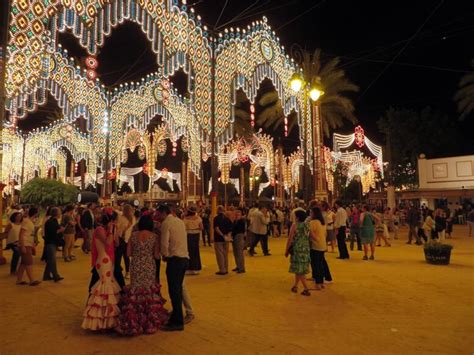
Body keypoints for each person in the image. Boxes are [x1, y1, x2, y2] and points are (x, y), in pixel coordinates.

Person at [115, 214, 168, 335]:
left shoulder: (133, 236)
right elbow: (156, 255)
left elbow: (128, 254)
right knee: (148, 289)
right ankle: (149, 319)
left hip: (136, 265)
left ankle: (134, 319)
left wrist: (138, 253)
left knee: (136, 289)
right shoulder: (155, 237)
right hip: (149, 265)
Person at [82, 209, 121, 331]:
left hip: (110, 259)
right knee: (104, 285)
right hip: (102, 259)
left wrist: (115, 231)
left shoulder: (109, 229)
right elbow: (108, 243)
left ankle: (107, 317)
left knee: (109, 284)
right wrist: (110, 230)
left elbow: (117, 243)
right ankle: (99, 317)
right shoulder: (99, 230)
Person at [157, 204, 189, 331]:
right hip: (184, 258)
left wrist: (164, 255)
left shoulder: (166, 223)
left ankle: (177, 321)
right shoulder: (180, 222)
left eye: (158, 214)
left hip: (174, 259)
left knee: (174, 291)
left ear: (163, 213)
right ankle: (177, 315)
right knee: (178, 290)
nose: (157, 216)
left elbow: (164, 242)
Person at [285, 210, 311, 296]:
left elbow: (290, 238)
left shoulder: (294, 225)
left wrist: (287, 250)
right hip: (305, 248)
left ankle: (306, 288)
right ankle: (295, 286)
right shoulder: (307, 225)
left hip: (297, 248)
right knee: (300, 268)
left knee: (299, 270)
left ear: (297, 217)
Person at [16, 207, 41, 286]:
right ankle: (32, 280)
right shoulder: (27, 221)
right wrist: (22, 246)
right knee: (29, 262)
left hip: (28, 244)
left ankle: (19, 280)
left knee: (23, 263)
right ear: (35, 213)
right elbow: (21, 234)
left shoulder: (30, 221)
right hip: (25, 244)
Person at [309, 207, 332, 290]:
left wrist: (315, 239)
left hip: (316, 245)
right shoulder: (322, 222)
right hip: (322, 245)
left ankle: (318, 283)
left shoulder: (313, 222)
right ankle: (321, 282)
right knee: (321, 264)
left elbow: (310, 233)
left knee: (316, 264)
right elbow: (325, 234)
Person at [43, 207, 65, 282]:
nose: (60, 214)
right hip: (50, 243)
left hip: (52, 242)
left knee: (50, 260)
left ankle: (46, 275)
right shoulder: (50, 222)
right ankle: (56, 275)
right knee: (52, 260)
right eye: (59, 212)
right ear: (56, 213)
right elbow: (52, 232)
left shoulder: (54, 221)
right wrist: (59, 230)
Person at [183, 206, 203, 275]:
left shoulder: (185, 219)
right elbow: (202, 227)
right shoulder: (198, 218)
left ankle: (189, 267)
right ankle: (196, 267)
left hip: (188, 235)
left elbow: (183, 227)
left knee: (188, 251)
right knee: (195, 251)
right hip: (196, 235)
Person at [213, 205, 233, 275]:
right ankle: (226, 268)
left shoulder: (216, 218)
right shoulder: (227, 219)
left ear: (218, 210)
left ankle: (222, 270)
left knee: (220, 254)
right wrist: (227, 236)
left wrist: (222, 235)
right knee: (225, 254)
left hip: (218, 238)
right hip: (226, 238)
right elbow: (231, 229)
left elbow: (216, 228)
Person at [231, 208, 246, 273]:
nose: (237, 215)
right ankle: (238, 266)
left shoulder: (241, 221)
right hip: (234, 237)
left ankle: (242, 268)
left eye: (238, 214)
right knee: (235, 253)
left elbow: (240, 230)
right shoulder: (235, 221)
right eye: (236, 214)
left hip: (239, 236)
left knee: (239, 253)